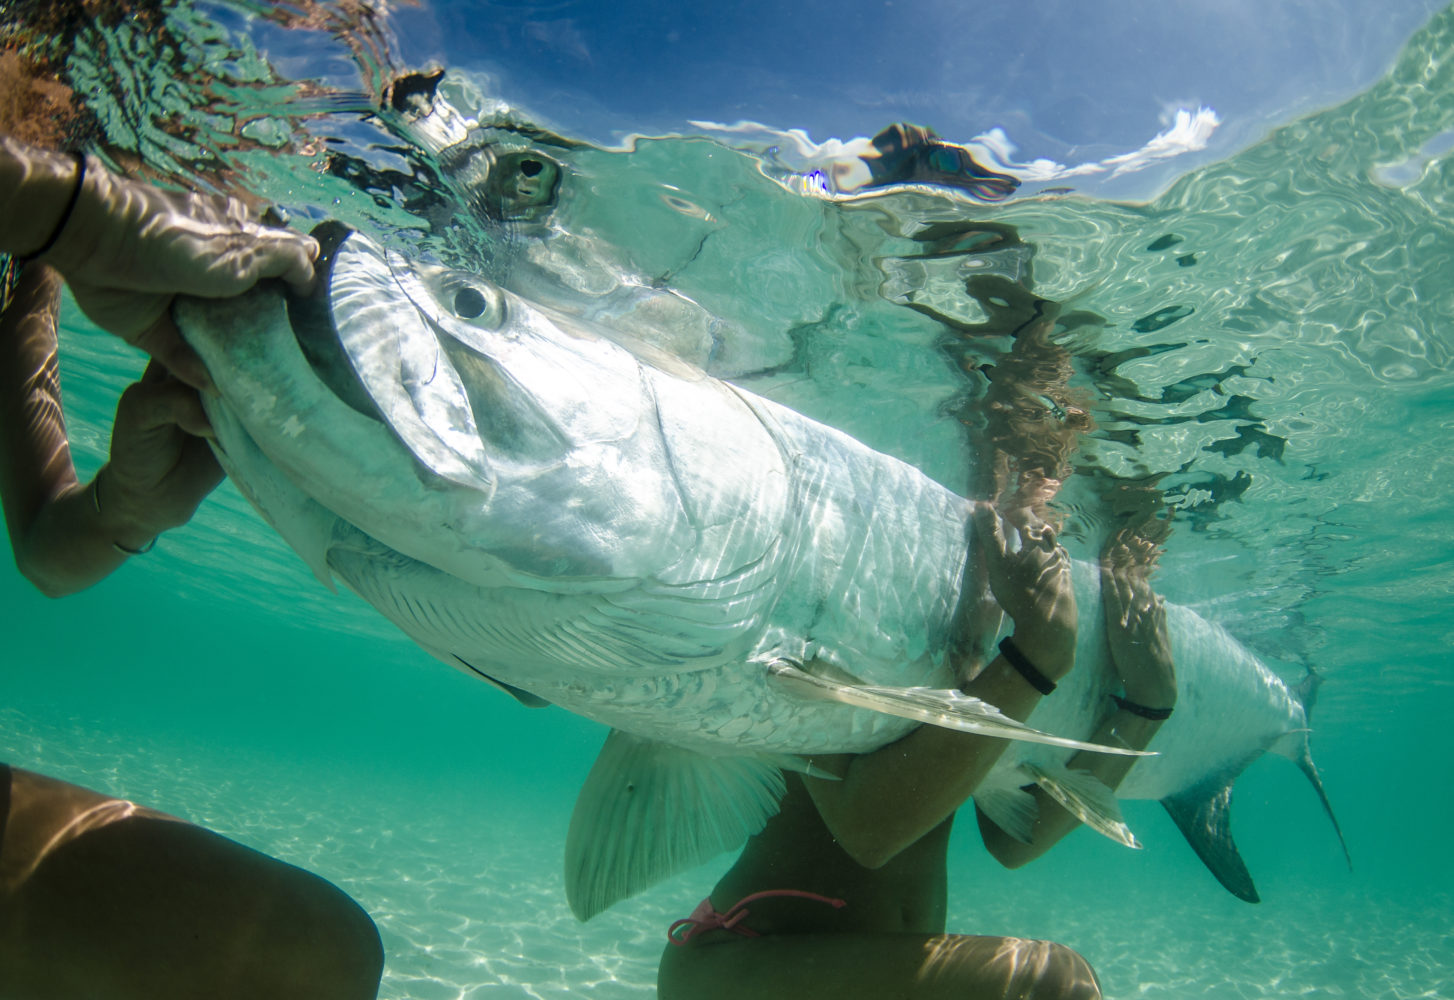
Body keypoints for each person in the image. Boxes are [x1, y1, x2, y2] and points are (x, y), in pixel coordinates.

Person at [1, 133, 383, 998]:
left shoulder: (22, 270)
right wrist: (76, 211)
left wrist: (125, 508)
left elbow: (44, 556)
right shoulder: (51, 206)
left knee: (310, 956)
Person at [658, 505, 1177, 1000]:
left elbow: (1021, 834)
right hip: (746, 960)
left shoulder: (932, 633)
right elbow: (869, 828)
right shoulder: (825, 630)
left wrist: (1147, 706)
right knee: (1051, 985)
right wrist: (1038, 654)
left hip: (792, 967)